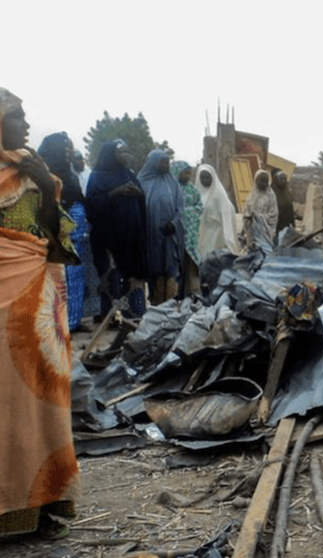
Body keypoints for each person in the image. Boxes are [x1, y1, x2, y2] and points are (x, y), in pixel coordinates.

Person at [0, 87, 80, 538]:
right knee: (5, 406)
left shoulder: (32, 168)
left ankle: (45, 504)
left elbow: (55, 239)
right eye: (17, 115)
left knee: (44, 401)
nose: (27, 124)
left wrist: (47, 185)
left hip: (39, 302)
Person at [38, 132, 97, 330]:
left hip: (76, 243)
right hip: (57, 245)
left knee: (76, 281)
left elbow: (78, 198)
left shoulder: (70, 175)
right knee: (58, 282)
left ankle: (75, 321)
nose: (69, 153)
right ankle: (60, 325)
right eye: (66, 149)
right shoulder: (44, 177)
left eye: (70, 148)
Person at [86, 139, 147, 318]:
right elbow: (93, 205)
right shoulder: (98, 176)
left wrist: (139, 194)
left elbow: (142, 199)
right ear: (110, 154)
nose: (125, 155)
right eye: (121, 152)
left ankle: (135, 314)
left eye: (127, 151)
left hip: (131, 237)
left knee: (133, 277)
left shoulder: (129, 174)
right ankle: (108, 316)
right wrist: (117, 192)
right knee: (111, 276)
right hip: (109, 238)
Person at [138, 150, 185, 304]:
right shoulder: (142, 181)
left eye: (167, 162)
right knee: (156, 272)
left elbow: (181, 208)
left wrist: (174, 224)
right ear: (153, 163)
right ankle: (157, 308)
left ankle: (171, 307)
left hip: (170, 237)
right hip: (151, 237)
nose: (166, 165)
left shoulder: (173, 182)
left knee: (171, 271)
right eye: (163, 162)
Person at [195, 164, 238, 257]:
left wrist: (228, 238)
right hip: (202, 233)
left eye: (208, 177)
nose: (205, 180)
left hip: (215, 233)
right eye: (203, 177)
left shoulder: (219, 194)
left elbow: (227, 213)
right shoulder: (197, 193)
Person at [243, 168, 278, 251]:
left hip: (265, 229)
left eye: (265, 181)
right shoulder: (252, 195)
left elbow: (273, 213)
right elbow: (246, 210)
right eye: (261, 181)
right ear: (256, 181)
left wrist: (260, 218)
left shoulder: (270, 195)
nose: (263, 183)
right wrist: (248, 217)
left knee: (264, 250)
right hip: (252, 229)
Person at [272, 169, 295, 234]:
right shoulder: (271, 194)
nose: (284, 181)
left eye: (285, 179)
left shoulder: (287, 193)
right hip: (277, 225)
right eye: (281, 179)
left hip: (288, 223)